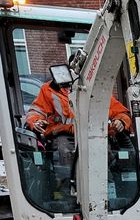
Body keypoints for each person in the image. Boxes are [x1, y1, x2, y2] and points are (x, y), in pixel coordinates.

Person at [26, 65, 132, 196]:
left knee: (102, 158)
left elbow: (120, 112)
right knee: (64, 156)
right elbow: (36, 111)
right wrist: (36, 121)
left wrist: (121, 121)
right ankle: (66, 194)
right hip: (62, 135)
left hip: (93, 135)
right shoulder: (49, 90)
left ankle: (107, 194)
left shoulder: (96, 90)